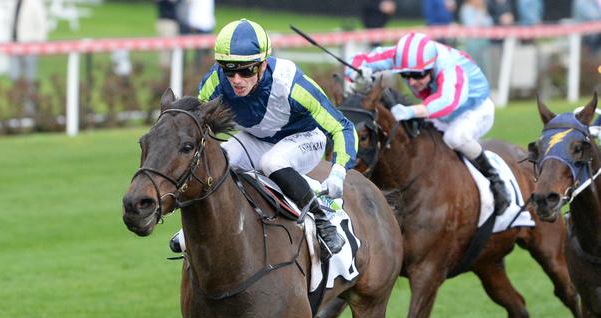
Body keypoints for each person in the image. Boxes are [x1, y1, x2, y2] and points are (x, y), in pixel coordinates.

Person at [171, 19, 358, 260]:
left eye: (246, 70)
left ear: (263, 65)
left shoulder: (292, 84)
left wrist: (339, 172)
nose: (237, 79)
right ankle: (196, 227)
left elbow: (343, 127)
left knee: (272, 162)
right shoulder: (215, 81)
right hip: (255, 137)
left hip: (304, 138)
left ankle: (323, 221)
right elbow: (195, 126)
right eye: (229, 69)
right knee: (220, 158)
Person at [347, 32, 510, 215]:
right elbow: (359, 60)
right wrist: (356, 73)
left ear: (432, 68)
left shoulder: (450, 67)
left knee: (455, 138)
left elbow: (448, 101)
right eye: (406, 75)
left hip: (474, 110)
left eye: (418, 75)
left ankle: (495, 179)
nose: (412, 82)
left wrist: (411, 111)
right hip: (435, 112)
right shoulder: (402, 57)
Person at [459, 0, 493, 76]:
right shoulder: (466, 9)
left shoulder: (482, 8)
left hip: (483, 40)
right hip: (472, 41)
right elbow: (471, 24)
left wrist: (481, 12)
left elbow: (489, 22)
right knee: (473, 64)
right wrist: (480, 15)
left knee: (484, 65)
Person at [155, 0, 181, 72]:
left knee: (166, 50)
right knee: (166, 50)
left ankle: (166, 71)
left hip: (165, 21)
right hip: (168, 22)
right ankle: (166, 72)